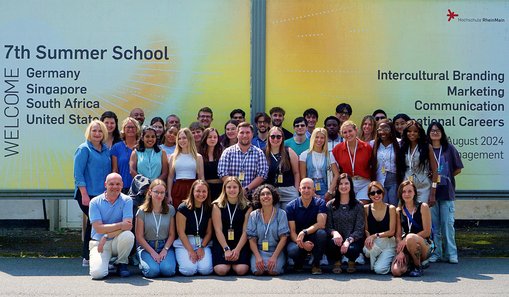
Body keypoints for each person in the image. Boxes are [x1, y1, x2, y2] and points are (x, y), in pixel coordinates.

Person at [74, 120, 111, 267]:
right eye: (94, 130)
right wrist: (84, 194)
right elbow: (78, 174)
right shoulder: (83, 149)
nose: (97, 134)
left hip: (102, 194)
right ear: (89, 132)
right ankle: (87, 257)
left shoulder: (106, 150)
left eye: (100, 131)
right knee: (94, 223)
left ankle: (100, 254)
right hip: (87, 194)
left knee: (97, 223)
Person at [427, 122, 463, 264]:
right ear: (428, 133)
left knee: (447, 224)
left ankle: (451, 253)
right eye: (432, 130)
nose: (435, 133)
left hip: (446, 192)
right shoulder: (426, 149)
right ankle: (436, 253)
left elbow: (458, 169)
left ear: (442, 133)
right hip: (431, 192)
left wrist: (445, 177)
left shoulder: (449, 149)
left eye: (438, 130)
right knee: (434, 225)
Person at [88, 173, 135, 279]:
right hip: (99, 244)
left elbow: (127, 227)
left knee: (128, 235)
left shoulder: (127, 200)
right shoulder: (94, 202)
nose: (115, 187)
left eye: (118, 184)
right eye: (111, 184)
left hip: (115, 241)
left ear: (122, 185)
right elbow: (98, 228)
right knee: (97, 274)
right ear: (105, 184)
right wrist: (120, 225)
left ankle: (121, 263)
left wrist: (106, 236)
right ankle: (107, 262)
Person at [136, 179, 177, 278]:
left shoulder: (170, 209)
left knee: (168, 270)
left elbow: (172, 234)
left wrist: (165, 250)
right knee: (153, 272)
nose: (159, 195)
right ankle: (142, 262)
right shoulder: (141, 211)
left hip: (164, 245)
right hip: (147, 247)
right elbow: (139, 236)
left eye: (162, 192)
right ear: (150, 192)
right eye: (156, 192)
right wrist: (152, 252)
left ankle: (162, 262)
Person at [211, 177, 252, 276]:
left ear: (239, 189)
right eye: (229, 187)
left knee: (241, 270)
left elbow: (245, 231)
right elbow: (218, 230)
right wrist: (226, 249)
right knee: (221, 270)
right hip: (222, 242)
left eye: (235, 187)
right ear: (224, 189)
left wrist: (237, 250)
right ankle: (228, 264)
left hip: (240, 242)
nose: (232, 190)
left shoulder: (248, 206)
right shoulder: (217, 205)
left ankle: (233, 264)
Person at [286, 178, 328, 275]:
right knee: (292, 251)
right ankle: (299, 262)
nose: (306, 190)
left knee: (322, 233)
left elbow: (321, 224)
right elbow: (292, 232)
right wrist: (302, 244)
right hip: (297, 239)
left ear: (314, 190)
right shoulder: (290, 206)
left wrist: (304, 232)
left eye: (309, 188)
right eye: (303, 188)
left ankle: (316, 264)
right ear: (299, 190)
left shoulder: (320, 203)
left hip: (313, 236)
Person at [391, 180, 433, 277]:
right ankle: (409, 264)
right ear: (400, 194)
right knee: (396, 271)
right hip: (406, 245)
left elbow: (427, 232)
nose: (407, 194)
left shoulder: (423, 206)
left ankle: (418, 266)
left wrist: (406, 239)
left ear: (415, 192)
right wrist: (400, 252)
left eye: (410, 191)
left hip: (423, 243)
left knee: (410, 237)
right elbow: (397, 235)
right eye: (404, 191)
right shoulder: (399, 210)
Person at [325, 173, 365, 274]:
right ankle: (336, 261)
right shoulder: (330, 205)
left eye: (346, 183)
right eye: (341, 184)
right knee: (331, 243)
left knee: (352, 249)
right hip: (336, 240)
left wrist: (348, 241)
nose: (344, 186)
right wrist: (334, 233)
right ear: (337, 187)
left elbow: (359, 229)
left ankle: (351, 261)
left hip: (352, 240)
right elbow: (328, 226)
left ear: (351, 186)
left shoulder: (358, 205)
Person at [218, 122, 269, 198]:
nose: (245, 135)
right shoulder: (228, 152)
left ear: (252, 135)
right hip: (231, 195)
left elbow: (262, 174)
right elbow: (222, 173)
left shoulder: (259, 153)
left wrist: (246, 189)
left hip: (252, 196)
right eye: (242, 132)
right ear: (237, 134)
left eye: (248, 132)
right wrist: (236, 189)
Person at [247, 184, 289, 275]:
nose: (265, 196)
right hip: (259, 251)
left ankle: (282, 262)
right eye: (262, 194)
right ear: (258, 198)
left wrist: (274, 257)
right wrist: (258, 257)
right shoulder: (254, 215)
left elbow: (284, 238)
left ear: (273, 197)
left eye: (268, 194)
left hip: (276, 251)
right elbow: (251, 239)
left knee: (273, 271)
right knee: (258, 271)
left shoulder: (281, 214)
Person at [174, 180, 213, 276]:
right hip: (185, 242)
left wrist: (201, 247)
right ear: (192, 191)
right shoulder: (183, 208)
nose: (201, 194)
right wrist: (191, 251)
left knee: (205, 270)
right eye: (198, 191)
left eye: (204, 191)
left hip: (202, 242)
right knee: (189, 270)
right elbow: (181, 232)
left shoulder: (209, 208)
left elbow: (209, 232)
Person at [396, 120, 438, 204]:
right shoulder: (402, 146)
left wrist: (433, 192)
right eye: (409, 131)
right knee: (406, 213)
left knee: (422, 213)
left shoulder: (426, 147)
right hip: (407, 186)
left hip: (423, 186)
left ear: (419, 133)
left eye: (415, 131)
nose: (412, 133)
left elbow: (435, 170)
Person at [332, 120, 373, 204]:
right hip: (347, 183)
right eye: (345, 132)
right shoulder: (337, 149)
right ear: (342, 134)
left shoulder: (367, 147)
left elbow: (373, 166)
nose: (348, 134)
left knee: (361, 207)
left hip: (364, 183)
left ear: (356, 130)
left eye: (350, 131)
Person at [363, 181, 396, 274]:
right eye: (372, 193)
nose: (376, 195)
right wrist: (369, 237)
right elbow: (366, 229)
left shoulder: (391, 208)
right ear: (369, 196)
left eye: (379, 192)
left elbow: (392, 231)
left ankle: (390, 260)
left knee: (379, 270)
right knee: (368, 250)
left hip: (388, 244)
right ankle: (381, 259)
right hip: (375, 243)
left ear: (383, 193)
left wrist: (374, 236)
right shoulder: (366, 208)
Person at [167, 128, 205, 208]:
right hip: (178, 187)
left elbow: (201, 177)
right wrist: (169, 195)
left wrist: (202, 191)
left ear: (189, 139)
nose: (182, 140)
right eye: (179, 138)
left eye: (184, 138)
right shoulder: (173, 156)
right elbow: (170, 177)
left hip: (193, 187)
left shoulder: (198, 157)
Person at [299, 127, 339, 200]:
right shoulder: (304, 155)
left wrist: (330, 191)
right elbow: (303, 176)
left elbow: (336, 174)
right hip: (310, 186)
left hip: (325, 186)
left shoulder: (329, 155)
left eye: (322, 138)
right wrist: (312, 193)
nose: (319, 140)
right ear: (312, 138)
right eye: (317, 137)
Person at [266, 126, 300, 209]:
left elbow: (296, 173)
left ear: (282, 138)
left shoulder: (289, 151)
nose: (275, 139)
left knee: (289, 218)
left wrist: (296, 190)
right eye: (273, 136)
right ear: (268, 138)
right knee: (275, 218)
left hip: (288, 191)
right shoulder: (263, 153)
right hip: (271, 192)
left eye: (278, 137)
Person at [371, 119, 401, 206]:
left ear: (391, 130)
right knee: (382, 207)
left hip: (394, 181)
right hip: (379, 180)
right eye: (380, 129)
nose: (383, 132)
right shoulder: (372, 144)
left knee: (393, 206)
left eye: (386, 129)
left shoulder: (399, 143)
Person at [111, 117, 140, 193]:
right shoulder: (116, 147)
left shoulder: (142, 147)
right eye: (128, 127)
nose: (130, 129)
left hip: (139, 187)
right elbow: (115, 170)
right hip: (122, 187)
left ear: (137, 129)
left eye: (133, 127)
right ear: (123, 129)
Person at [199, 127, 224, 200]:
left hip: (221, 188)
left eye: (215, 137)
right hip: (207, 188)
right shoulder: (200, 155)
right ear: (205, 138)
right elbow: (201, 176)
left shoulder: (222, 153)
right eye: (210, 137)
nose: (213, 139)